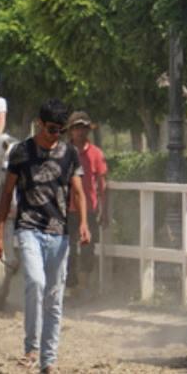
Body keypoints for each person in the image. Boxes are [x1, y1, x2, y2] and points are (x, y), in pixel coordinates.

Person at [0, 98, 91, 374]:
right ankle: (31, 348)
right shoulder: (21, 152)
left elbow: (78, 191)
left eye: (60, 130)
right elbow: (6, 194)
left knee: (54, 298)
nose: (55, 135)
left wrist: (83, 222)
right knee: (35, 282)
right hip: (28, 228)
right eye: (51, 129)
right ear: (39, 124)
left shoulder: (69, 153)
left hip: (59, 233)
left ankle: (49, 360)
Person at [65, 111, 108, 296]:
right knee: (67, 249)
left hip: (89, 209)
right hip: (66, 209)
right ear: (71, 131)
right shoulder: (62, 153)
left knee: (88, 248)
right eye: (77, 128)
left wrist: (104, 210)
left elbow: (102, 184)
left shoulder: (96, 154)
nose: (80, 132)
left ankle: (83, 286)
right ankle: (71, 286)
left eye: (83, 128)